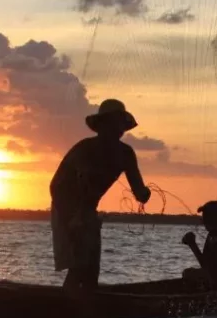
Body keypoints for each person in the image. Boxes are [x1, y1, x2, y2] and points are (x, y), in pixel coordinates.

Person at [50, 99, 151, 290]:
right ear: (102, 126)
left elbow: (140, 193)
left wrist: (145, 194)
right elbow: (58, 186)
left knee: (91, 268)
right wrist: (72, 217)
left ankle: (85, 301)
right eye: (112, 123)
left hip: (88, 210)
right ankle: (68, 302)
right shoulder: (84, 149)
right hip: (65, 207)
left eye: (119, 123)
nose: (116, 128)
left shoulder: (126, 154)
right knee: (78, 265)